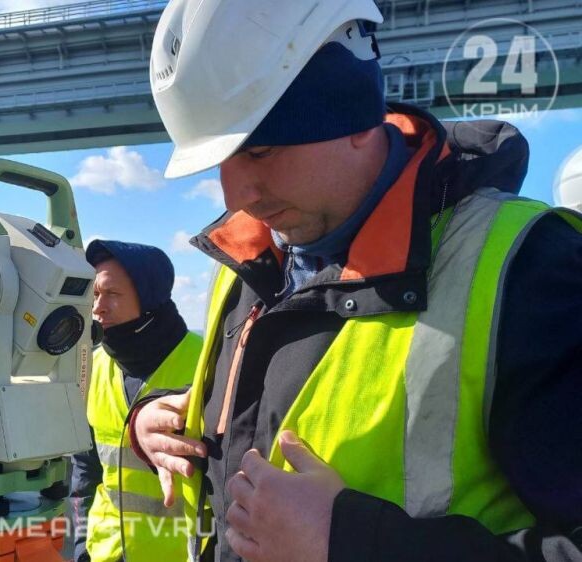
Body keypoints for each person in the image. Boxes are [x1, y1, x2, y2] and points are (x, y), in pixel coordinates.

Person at [127, 1, 582, 561]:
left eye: (262, 149)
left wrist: (353, 542)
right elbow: (271, 420)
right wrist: (159, 424)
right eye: (217, 162)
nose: (235, 195)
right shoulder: (254, 259)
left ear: (350, 110)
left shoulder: (532, 271)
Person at [71, 240, 203, 562]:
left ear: (149, 299)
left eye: (112, 294)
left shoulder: (206, 363)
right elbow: (85, 470)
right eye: (95, 295)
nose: (98, 307)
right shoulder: (93, 365)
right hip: (104, 553)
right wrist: (81, 545)